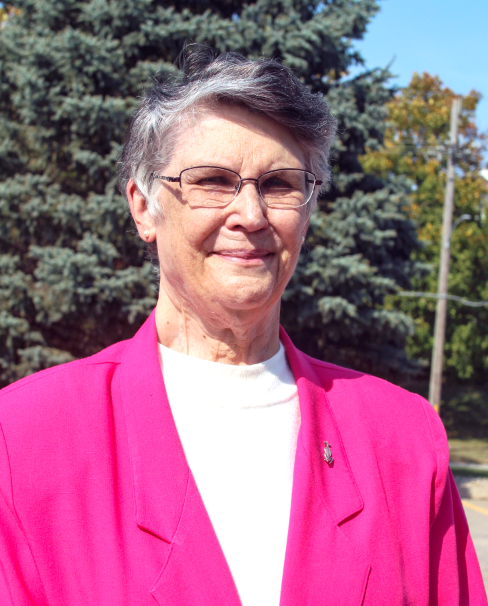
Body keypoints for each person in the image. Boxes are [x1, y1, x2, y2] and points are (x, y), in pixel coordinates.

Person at [0, 45, 485, 606]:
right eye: (212, 180)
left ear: (308, 209)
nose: (251, 215)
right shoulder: (25, 439)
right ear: (143, 207)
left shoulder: (403, 440)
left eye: (279, 185)